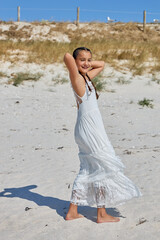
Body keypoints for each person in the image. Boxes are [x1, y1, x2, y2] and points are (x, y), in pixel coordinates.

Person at [63, 47, 142, 223]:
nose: (86, 63)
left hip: (87, 129)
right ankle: (101, 214)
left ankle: (72, 211)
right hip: (91, 130)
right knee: (103, 167)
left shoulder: (85, 78)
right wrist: (78, 64)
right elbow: (67, 56)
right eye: (82, 59)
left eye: (89, 59)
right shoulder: (76, 78)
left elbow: (102, 64)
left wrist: (86, 64)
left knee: (88, 168)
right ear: (75, 62)